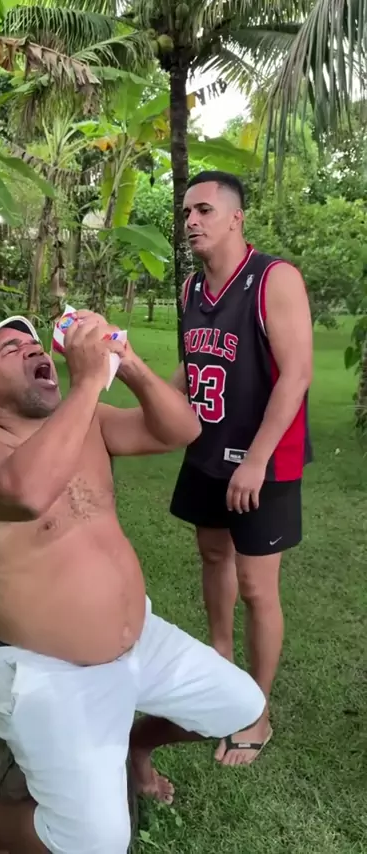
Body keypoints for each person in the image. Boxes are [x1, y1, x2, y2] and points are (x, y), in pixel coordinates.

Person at [0, 311, 266, 854]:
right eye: (10, 350)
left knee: (242, 707)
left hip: (140, 639)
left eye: (32, 343)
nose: (32, 349)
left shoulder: (87, 421)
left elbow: (181, 430)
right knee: (96, 842)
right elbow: (27, 492)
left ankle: (136, 746)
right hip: (43, 667)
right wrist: (89, 381)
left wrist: (128, 361)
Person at [170, 170, 313, 767]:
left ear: (236, 217)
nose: (191, 221)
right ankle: (220, 668)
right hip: (207, 452)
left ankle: (257, 708)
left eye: (203, 210)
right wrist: (140, 396)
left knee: (256, 585)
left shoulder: (274, 279)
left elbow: (297, 375)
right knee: (212, 556)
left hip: (263, 462)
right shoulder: (190, 290)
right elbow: (190, 371)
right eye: (186, 212)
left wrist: (255, 461)